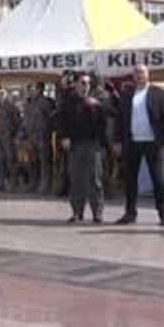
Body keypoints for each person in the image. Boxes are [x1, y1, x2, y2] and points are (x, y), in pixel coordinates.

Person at [114, 64, 164, 227]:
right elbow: (119, 119)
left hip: (153, 143)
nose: (139, 75)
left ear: (148, 75)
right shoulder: (127, 94)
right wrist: (117, 140)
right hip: (132, 143)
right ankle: (130, 213)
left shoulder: (158, 93)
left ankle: (163, 213)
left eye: (142, 72)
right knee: (130, 180)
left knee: (158, 180)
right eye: (136, 73)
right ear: (133, 76)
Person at [58, 72, 110, 224]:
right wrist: (64, 137)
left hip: (93, 145)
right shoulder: (69, 101)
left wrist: (98, 105)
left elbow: (109, 116)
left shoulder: (98, 100)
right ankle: (77, 212)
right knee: (76, 179)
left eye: (87, 83)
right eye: (82, 82)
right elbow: (62, 122)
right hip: (75, 145)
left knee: (95, 180)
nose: (85, 85)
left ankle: (97, 213)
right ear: (76, 84)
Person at [22, 83, 56, 194]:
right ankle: (33, 183)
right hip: (31, 136)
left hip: (42, 136)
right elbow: (25, 120)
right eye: (31, 90)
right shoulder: (28, 103)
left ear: (40, 90)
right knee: (32, 161)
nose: (32, 91)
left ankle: (45, 185)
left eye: (35, 89)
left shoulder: (46, 102)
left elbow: (52, 117)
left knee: (44, 162)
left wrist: (48, 130)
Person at [0, 87, 21, 192]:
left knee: (10, 160)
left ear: (6, 94)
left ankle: (13, 183)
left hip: (8, 137)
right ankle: (1, 183)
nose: (1, 95)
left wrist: (14, 134)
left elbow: (18, 122)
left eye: (3, 93)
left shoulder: (12, 107)